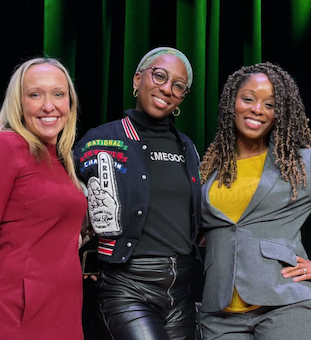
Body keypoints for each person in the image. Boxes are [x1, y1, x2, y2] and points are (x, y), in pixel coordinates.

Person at [199, 61, 311, 340]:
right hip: (219, 316)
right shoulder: (210, 168)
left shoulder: (301, 163)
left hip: (288, 307)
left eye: (270, 105)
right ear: (232, 103)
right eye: (248, 99)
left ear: (281, 113)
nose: (257, 110)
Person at [74, 46, 202, 340]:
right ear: (136, 80)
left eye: (178, 86)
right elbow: (64, 201)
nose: (167, 88)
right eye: (159, 75)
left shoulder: (189, 148)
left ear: (182, 98)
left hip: (181, 288)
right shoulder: (100, 140)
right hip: (126, 285)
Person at [0, 57, 87, 340]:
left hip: (64, 314)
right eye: (35, 95)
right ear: (19, 103)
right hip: (16, 317)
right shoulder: (3, 147)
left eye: (58, 94)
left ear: (70, 102)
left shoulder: (61, 160)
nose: (48, 105)